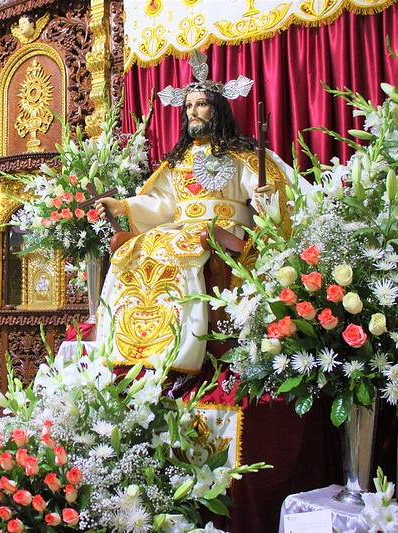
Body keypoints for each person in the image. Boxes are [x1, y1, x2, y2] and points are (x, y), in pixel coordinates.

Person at [95, 51, 292, 381]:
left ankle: (183, 350)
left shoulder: (242, 153)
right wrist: (123, 206)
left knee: (180, 248)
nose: (193, 112)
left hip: (223, 231)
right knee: (135, 249)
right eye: (188, 106)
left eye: (200, 105)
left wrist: (265, 198)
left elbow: (274, 194)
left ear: (217, 109)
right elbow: (160, 204)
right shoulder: (178, 160)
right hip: (179, 228)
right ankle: (134, 350)